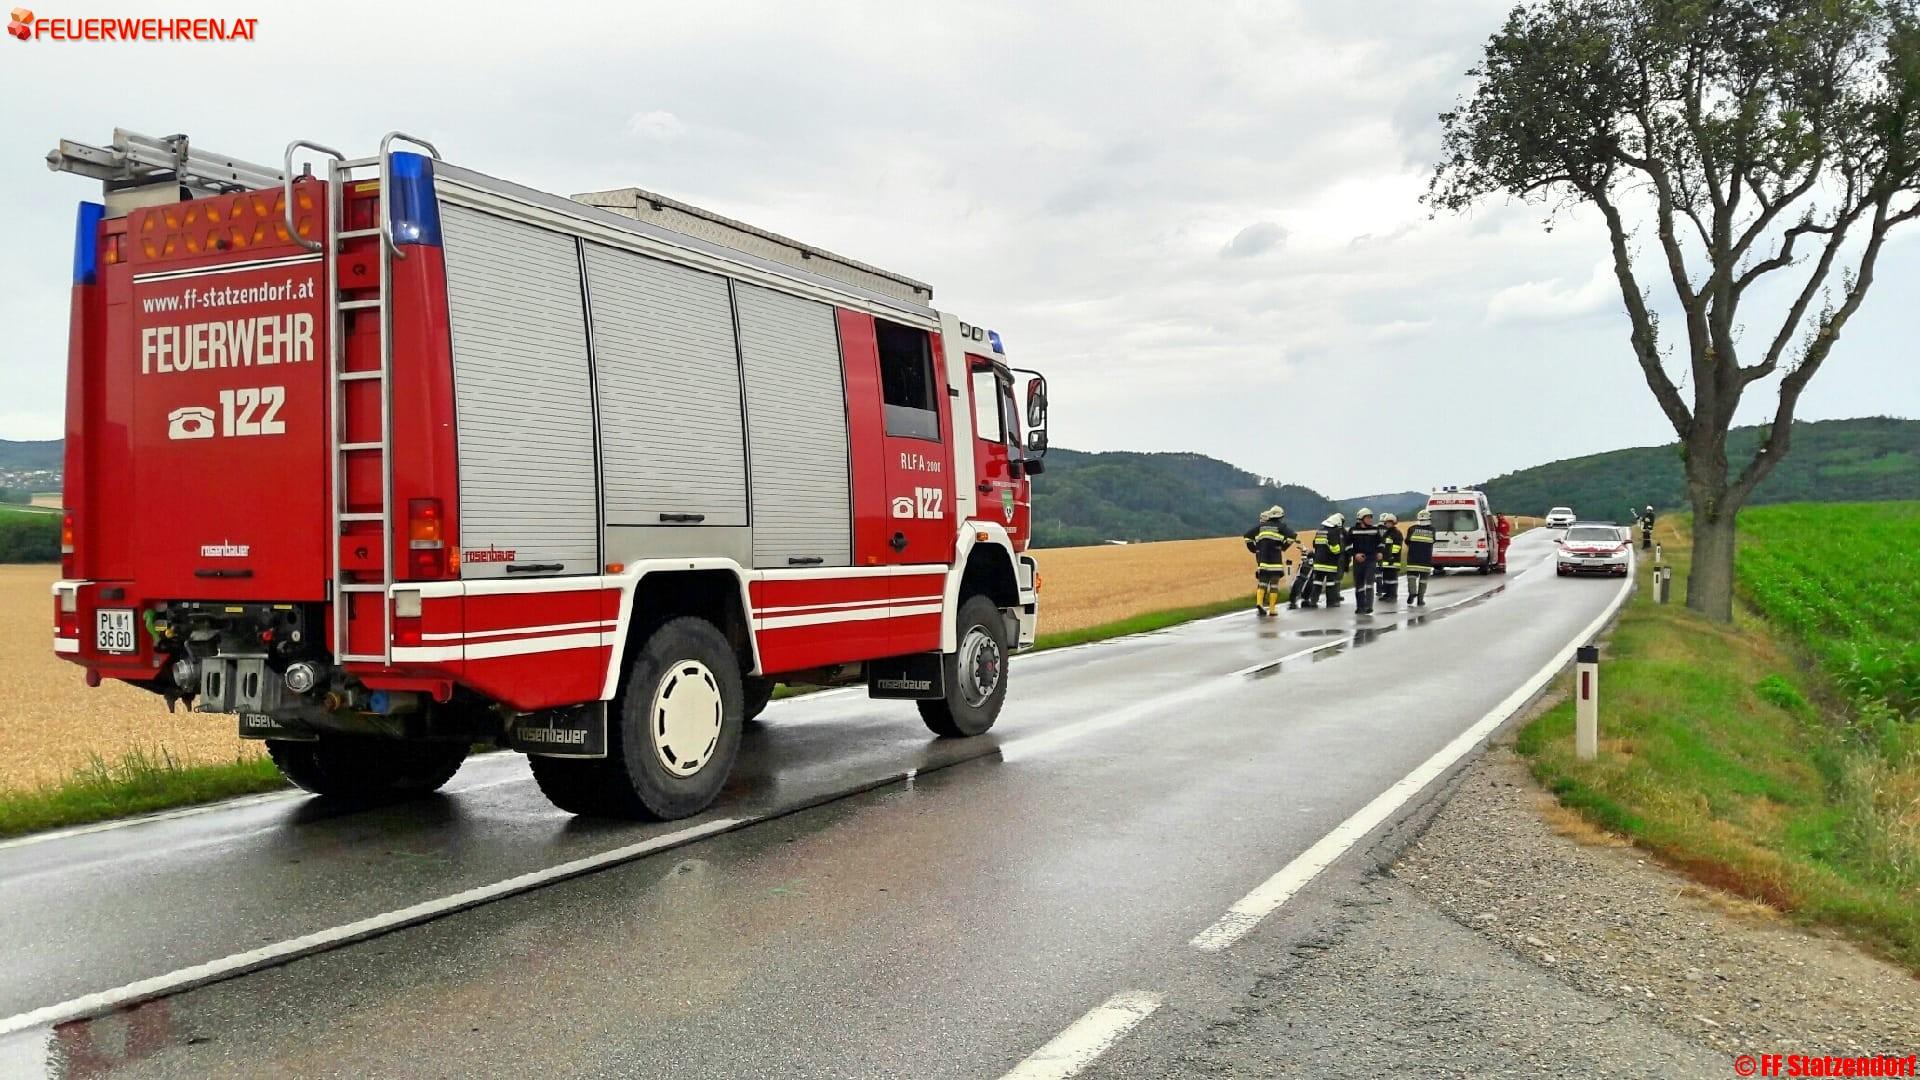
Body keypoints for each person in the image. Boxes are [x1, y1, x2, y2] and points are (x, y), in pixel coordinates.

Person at [1243, 505, 1296, 618]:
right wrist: (1283, 546)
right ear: (1280, 516)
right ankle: (1272, 609)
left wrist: (1255, 548)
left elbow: (1247, 536)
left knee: (1262, 583)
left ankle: (1259, 603)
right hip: (1275, 561)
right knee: (1274, 585)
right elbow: (1292, 536)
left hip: (1263, 560)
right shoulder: (1280, 527)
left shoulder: (1261, 526)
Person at [1302, 512, 1346, 608]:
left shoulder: (1320, 531)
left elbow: (1314, 544)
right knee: (1330, 584)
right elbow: (1335, 549)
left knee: (1317, 582)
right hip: (1330, 564)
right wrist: (1340, 551)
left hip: (1318, 563)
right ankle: (1331, 602)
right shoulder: (1334, 532)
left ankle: (1313, 601)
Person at [1346, 508, 1382, 615]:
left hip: (1371, 560)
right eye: (1368, 517)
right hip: (1358, 561)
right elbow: (1347, 546)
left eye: (1371, 517)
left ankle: (1369, 606)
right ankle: (1360, 606)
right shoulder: (1353, 530)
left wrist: (1380, 552)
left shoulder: (1375, 530)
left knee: (1369, 583)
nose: (1370, 519)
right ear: (1361, 519)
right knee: (1359, 585)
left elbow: (1381, 543)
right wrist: (1355, 554)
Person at [1404, 508, 1435, 606]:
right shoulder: (1432, 530)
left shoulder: (1412, 529)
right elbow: (1433, 541)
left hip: (1413, 558)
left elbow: (1407, 541)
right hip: (1426, 560)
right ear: (1429, 518)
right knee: (1423, 580)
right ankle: (1420, 600)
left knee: (1411, 576)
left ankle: (1412, 592)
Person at [1377, 512, 1404, 604]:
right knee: (1386, 578)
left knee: (1392, 579)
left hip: (1393, 560)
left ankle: (1393, 595)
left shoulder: (1396, 533)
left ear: (1393, 523)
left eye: (1388, 522)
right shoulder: (1387, 533)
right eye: (1386, 522)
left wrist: (1392, 556)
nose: (1386, 524)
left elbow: (1397, 546)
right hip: (1386, 560)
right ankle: (1387, 594)